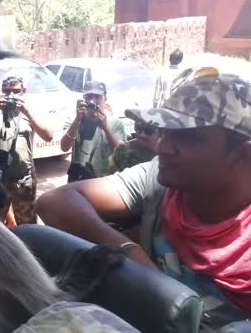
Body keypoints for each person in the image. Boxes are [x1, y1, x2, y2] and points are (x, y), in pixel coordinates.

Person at [36, 68, 251, 331]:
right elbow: (55, 203)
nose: (162, 147)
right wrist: (130, 252)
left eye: (188, 137)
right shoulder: (160, 181)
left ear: (242, 156)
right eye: (165, 131)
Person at [0, 76, 53, 227]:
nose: (11, 95)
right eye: (7, 91)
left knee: (27, 223)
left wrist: (28, 113)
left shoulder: (30, 111)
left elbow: (48, 136)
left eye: (16, 91)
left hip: (23, 179)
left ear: (24, 91)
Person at [60, 81, 126, 182]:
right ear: (83, 98)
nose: (92, 100)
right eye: (88, 96)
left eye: (97, 96)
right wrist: (77, 121)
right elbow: (64, 147)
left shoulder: (116, 123)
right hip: (77, 179)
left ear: (105, 98)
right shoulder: (74, 121)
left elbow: (120, 154)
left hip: (104, 181)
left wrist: (105, 127)